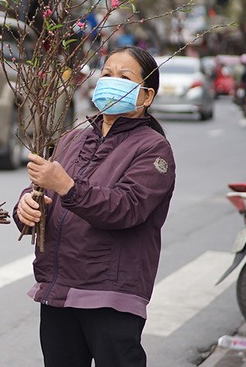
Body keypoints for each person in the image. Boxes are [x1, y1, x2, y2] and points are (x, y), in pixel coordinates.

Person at [13, 45, 176, 367]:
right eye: (107, 74)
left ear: (146, 97)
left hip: (111, 293)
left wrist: (67, 186)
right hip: (58, 287)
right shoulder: (73, 138)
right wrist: (27, 208)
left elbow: (126, 208)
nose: (111, 81)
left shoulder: (154, 149)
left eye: (124, 77)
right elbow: (45, 189)